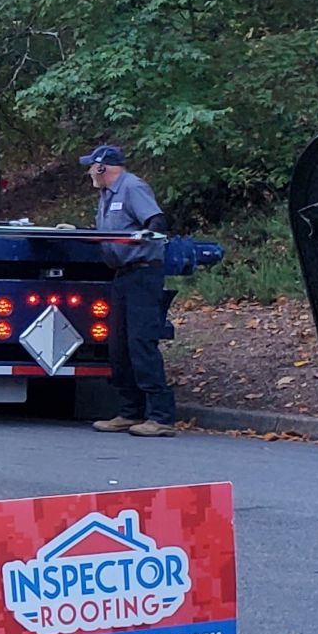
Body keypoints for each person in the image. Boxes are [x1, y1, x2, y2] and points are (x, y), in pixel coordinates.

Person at [81, 143, 176, 434]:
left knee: (141, 342)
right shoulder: (106, 196)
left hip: (143, 274)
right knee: (119, 347)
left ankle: (161, 417)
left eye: (91, 167)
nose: (89, 172)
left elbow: (156, 220)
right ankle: (130, 412)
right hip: (123, 274)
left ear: (102, 167)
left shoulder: (132, 187)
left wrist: (144, 236)